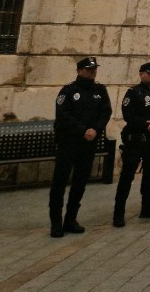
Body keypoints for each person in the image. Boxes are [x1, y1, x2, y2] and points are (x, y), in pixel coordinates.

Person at [49, 56, 112, 237]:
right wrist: (83, 130)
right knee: (60, 182)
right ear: (79, 71)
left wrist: (96, 129)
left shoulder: (100, 90)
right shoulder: (68, 91)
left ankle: (71, 218)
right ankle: (56, 222)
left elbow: (105, 112)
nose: (92, 71)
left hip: (88, 143)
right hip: (68, 142)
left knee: (80, 182)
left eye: (94, 69)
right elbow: (63, 115)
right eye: (88, 69)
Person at [113, 61, 150, 227]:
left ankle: (147, 207)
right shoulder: (134, 92)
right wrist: (147, 124)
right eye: (149, 72)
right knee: (127, 176)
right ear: (141, 74)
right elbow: (128, 116)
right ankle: (119, 212)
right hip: (136, 140)